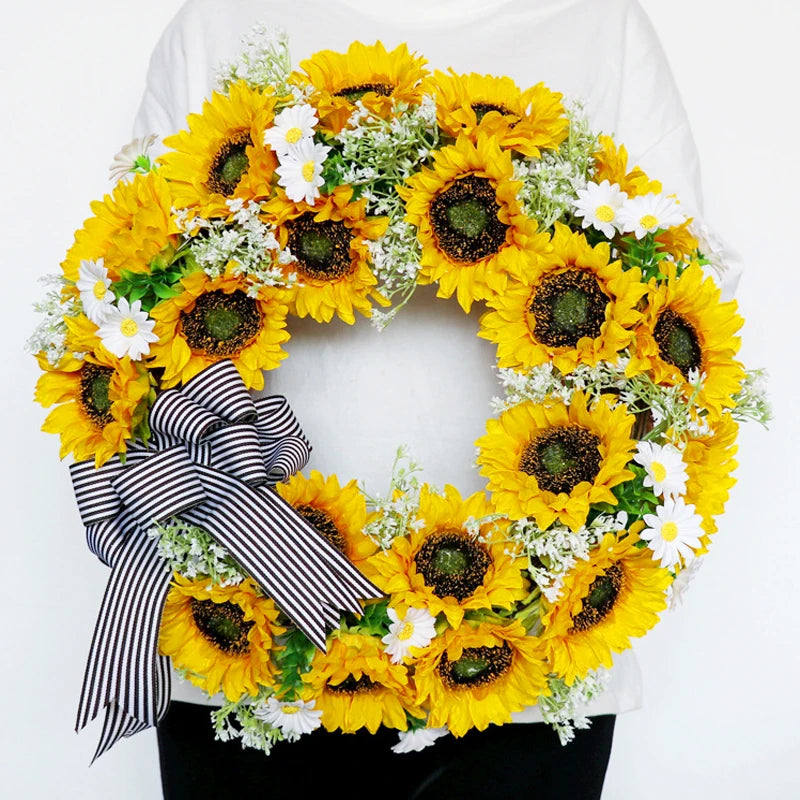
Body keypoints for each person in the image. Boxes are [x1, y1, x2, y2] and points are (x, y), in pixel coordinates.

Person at [133, 1, 725, 796]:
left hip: (521, 667)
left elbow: (677, 305)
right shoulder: (220, 19)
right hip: (246, 636)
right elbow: (133, 316)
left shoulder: (598, 24)